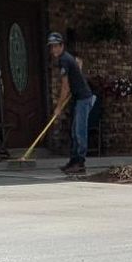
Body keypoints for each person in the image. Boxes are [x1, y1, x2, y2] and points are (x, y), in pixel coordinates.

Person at [46, 33, 94, 176]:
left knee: (79, 131)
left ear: (62, 46)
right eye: (52, 47)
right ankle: (73, 161)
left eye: (56, 46)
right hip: (77, 98)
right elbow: (77, 66)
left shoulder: (64, 60)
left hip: (83, 98)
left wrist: (59, 107)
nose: (53, 50)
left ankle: (80, 163)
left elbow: (65, 87)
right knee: (74, 132)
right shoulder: (66, 59)